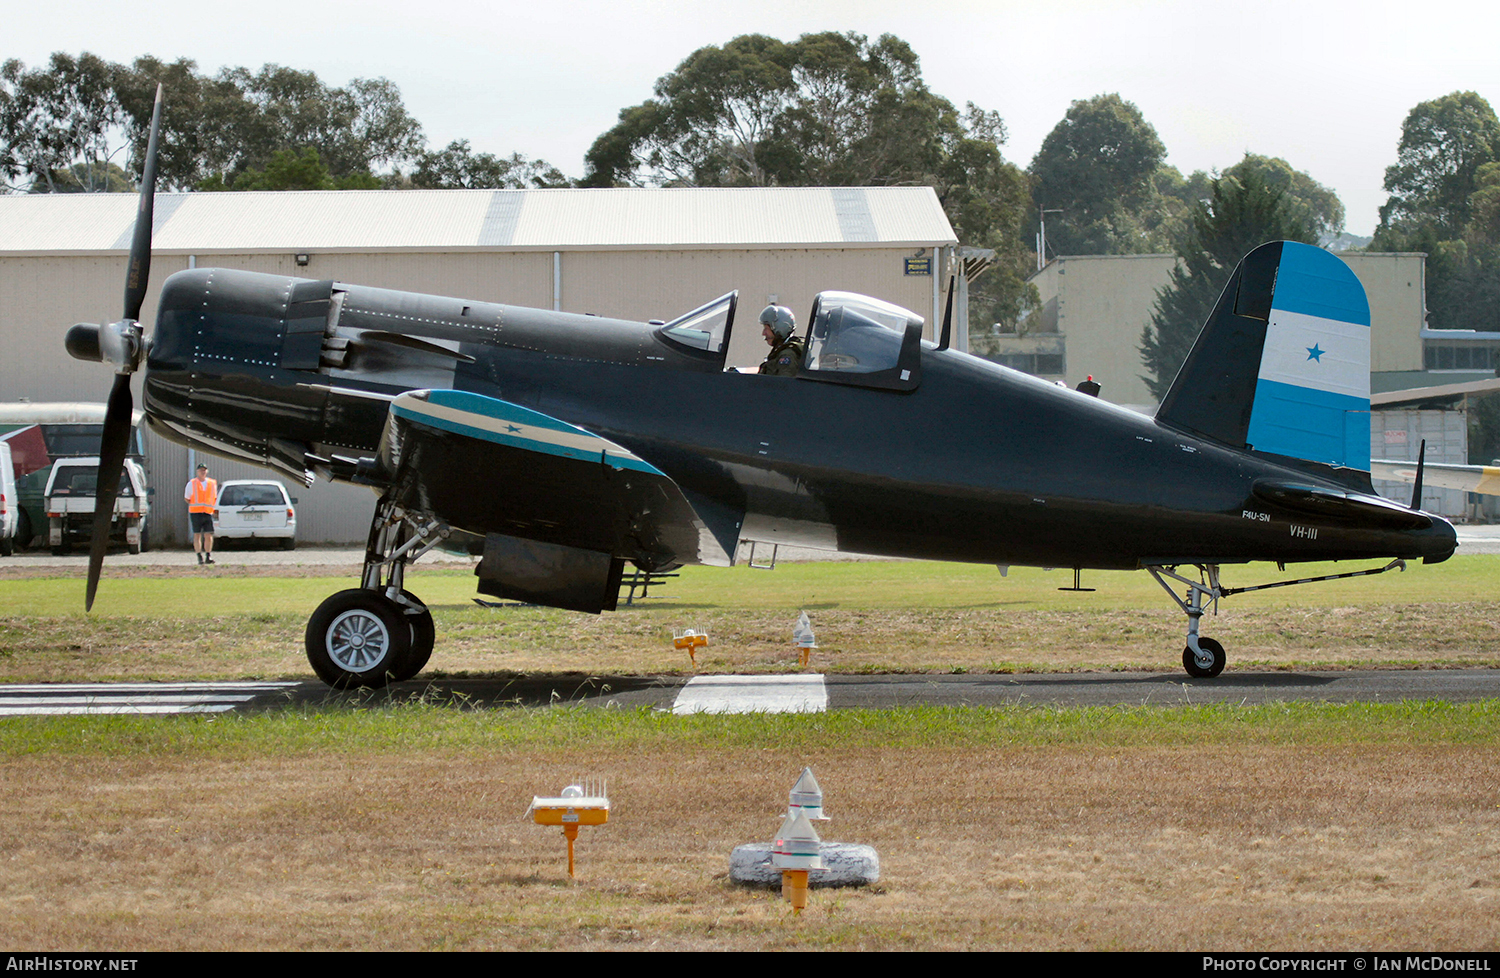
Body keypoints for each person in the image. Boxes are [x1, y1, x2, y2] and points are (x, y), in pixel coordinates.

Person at [757, 304, 804, 377]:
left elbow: (783, 386)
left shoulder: (787, 355)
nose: (763, 333)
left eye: (766, 328)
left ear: (779, 328)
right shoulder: (778, 352)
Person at [184, 463, 217, 565]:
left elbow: (214, 497)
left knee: (208, 535)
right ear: (197, 472)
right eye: (201, 470)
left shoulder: (212, 483)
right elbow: (187, 498)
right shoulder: (192, 483)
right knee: (197, 535)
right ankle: (199, 556)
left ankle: (208, 555)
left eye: (204, 470)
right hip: (196, 513)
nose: (203, 472)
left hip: (207, 512)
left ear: (207, 471)